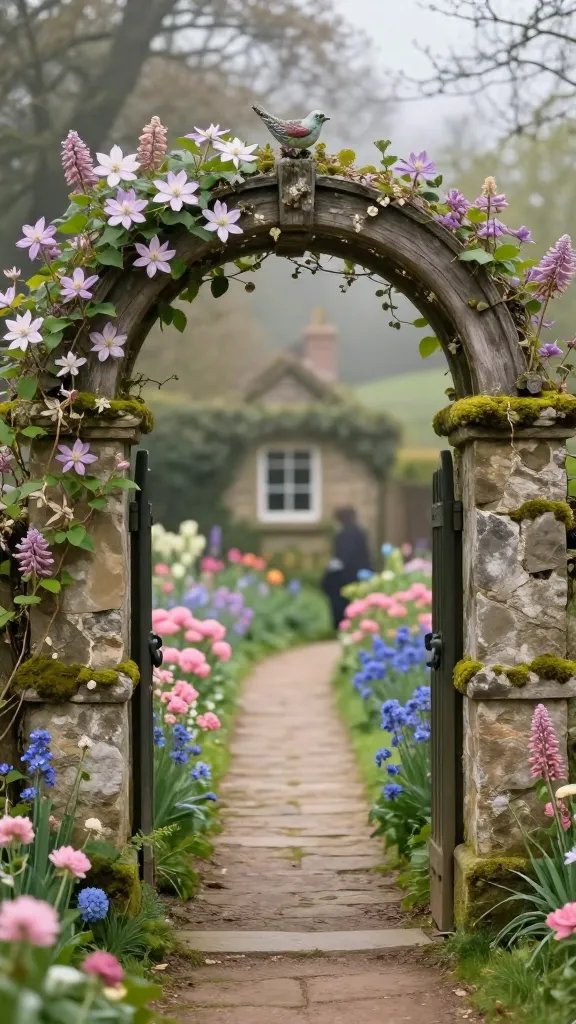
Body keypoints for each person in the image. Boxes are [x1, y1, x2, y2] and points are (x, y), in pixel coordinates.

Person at [321, 506, 373, 629]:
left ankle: (342, 625)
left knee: (339, 600)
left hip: (344, 576)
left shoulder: (343, 535)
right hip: (361, 573)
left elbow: (341, 558)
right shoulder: (361, 532)